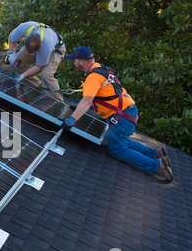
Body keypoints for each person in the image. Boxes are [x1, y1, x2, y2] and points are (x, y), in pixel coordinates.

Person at [62, 46, 173, 182]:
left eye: (74, 60)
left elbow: (86, 101)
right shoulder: (101, 68)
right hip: (128, 111)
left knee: (116, 149)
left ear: (81, 61)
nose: (73, 63)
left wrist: (72, 120)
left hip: (122, 116)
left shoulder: (93, 77)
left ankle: (158, 166)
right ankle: (156, 153)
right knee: (123, 141)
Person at [6, 21, 66, 101]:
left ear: (40, 47)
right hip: (36, 44)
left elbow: (38, 67)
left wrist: (22, 76)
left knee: (46, 75)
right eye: (27, 51)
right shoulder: (23, 28)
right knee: (18, 63)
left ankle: (58, 103)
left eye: (31, 53)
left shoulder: (45, 47)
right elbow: (11, 38)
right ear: (26, 39)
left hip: (56, 50)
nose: (27, 53)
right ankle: (39, 89)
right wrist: (12, 52)